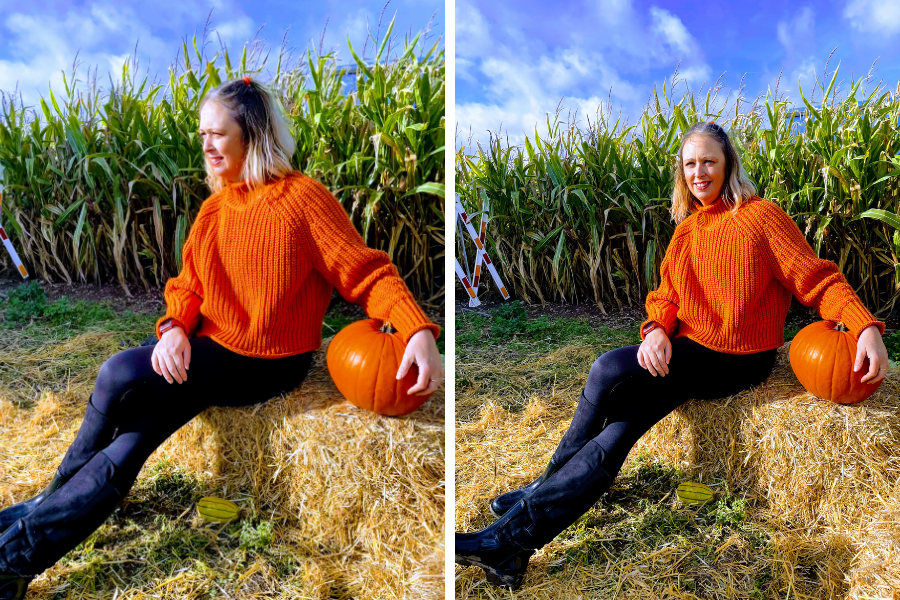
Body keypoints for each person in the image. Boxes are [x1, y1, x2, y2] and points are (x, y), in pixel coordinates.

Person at [0, 76, 442, 599]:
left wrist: (416, 328)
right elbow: (187, 287)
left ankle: (43, 507)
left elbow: (365, 274)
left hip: (269, 360)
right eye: (202, 134)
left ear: (251, 137)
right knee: (136, 433)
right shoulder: (214, 210)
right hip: (213, 352)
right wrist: (172, 330)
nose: (205, 145)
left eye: (217, 134)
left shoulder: (303, 199)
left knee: (120, 372)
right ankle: (19, 558)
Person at [455, 120, 888, 589]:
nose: (698, 172)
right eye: (689, 164)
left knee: (606, 369)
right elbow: (666, 295)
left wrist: (863, 324)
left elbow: (816, 278)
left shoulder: (762, 217)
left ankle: (536, 493)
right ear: (681, 172)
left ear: (728, 165)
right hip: (689, 350)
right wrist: (656, 330)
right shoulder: (688, 231)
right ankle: (514, 541)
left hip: (737, 356)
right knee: (624, 421)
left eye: (708, 162)